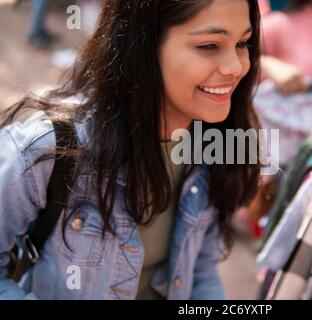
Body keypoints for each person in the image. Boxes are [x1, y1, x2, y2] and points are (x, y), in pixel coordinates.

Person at [0, 0, 262, 300]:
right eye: (209, 45)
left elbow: (200, 270)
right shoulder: (49, 148)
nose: (237, 66)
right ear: (143, 46)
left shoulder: (217, 146)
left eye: (243, 42)